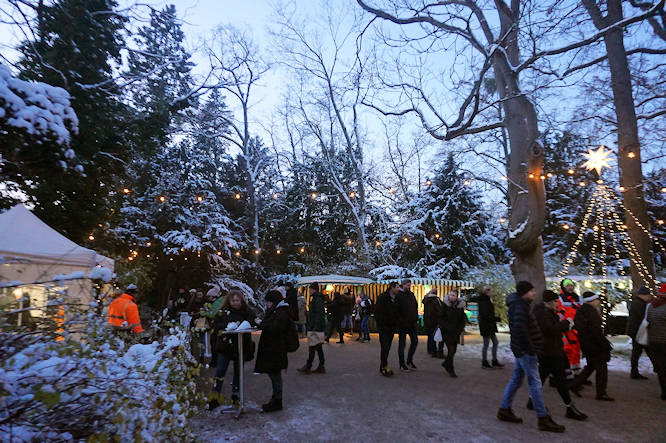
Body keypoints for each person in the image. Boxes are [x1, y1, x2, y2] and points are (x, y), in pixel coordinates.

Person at [497, 281, 564, 433]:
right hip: (526, 352)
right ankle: (543, 418)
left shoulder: (520, 305)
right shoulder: (520, 306)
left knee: (516, 380)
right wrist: (531, 349)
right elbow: (520, 330)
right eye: (531, 291)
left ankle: (504, 409)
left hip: (522, 350)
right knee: (535, 383)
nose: (534, 293)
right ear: (524, 292)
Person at [532, 290, 587, 420]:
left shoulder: (547, 312)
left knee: (541, 376)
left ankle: (532, 401)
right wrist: (566, 323)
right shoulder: (542, 313)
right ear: (550, 302)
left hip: (551, 350)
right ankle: (569, 408)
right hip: (550, 351)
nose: (558, 303)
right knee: (560, 381)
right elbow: (549, 329)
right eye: (556, 301)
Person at [208, 289, 256, 410]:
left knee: (238, 372)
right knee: (220, 371)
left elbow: (253, 321)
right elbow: (215, 325)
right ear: (229, 301)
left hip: (241, 346)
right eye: (233, 300)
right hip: (225, 346)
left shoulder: (247, 311)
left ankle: (236, 395)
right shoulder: (223, 312)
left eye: (237, 300)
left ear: (241, 300)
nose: (235, 302)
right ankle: (215, 396)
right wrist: (228, 326)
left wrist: (244, 324)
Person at [570, 292, 614, 401]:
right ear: (592, 301)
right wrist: (604, 344)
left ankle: (574, 385)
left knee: (590, 366)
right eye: (597, 300)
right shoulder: (591, 313)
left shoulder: (581, 311)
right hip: (594, 345)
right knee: (602, 369)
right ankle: (601, 393)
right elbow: (595, 332)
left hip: (586, 344)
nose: (598, 302)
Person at [254, 290, 291, 412]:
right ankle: (276, 398)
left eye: (268, 302)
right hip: (274, 348)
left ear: (273, 301)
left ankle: (277, 401)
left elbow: (275, 327)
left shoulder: (280, 312)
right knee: (274, 374)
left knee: (275, 375)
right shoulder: (278, 311)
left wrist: (261, 323)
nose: (267, 304)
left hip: (276, 349)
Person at [470, 285, 503, 368]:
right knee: (487, 344)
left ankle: (493, 360)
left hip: (489, 326)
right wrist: (496, 318)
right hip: (486, 326)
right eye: (491, 291)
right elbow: (486, 315)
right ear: (487, 292)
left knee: (494, 342)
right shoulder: (484, 301)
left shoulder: (487, 300)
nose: (493, 293)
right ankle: (485, 362)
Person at [298, 283, 327, 374]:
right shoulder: (316, 298)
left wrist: (315, 327)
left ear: (314, 289)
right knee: (318, 347)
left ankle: (308, 366)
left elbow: (319, 313)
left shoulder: (317, 299)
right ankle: (321, 366)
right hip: (316, 326)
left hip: (315, 327)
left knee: (312, 347)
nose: (309, 290)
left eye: (310, 289)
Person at [626, 285, 652, 380]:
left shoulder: (635, 303)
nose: (650, 297)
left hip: (635, 331)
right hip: (639, 331)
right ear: (643, 295)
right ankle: (658, 369)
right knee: (645, 351)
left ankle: (634, 371)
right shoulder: (640, 305)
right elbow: (643, 318)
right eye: (648, 295)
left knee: (637, 352)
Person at [558, 279, 582, 379]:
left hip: (577, 328)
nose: (570, 287)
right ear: (564, 287)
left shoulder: (578, 298)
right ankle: (568, 375)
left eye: (571, 285)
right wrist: (566, 323)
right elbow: (559, 313)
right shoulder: (560, 299)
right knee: (568, 351)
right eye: (567, 285)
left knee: (577, 351)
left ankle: (577, 374)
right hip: (567, 329)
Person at [375, 282, 401, 377]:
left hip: (391, 327)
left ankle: (382, 366)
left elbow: (397, 312)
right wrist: (381, 324)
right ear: (392, 288)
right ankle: (384, 367)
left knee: (387, 347)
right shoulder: (383, 297)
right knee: (385, 347)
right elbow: (377, 312)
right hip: (383, 327)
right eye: (397, 287)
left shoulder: (396, 298)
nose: (399, 289)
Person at [440, 290, 466, 377]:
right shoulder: (445, 305)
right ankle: (451, 369)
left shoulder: (459, 306)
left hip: (456, 332)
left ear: (456, 297)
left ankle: (446, 363)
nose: (451, 296)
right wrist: (444, 327)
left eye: (453, 295)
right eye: (450, 295)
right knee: (451, 349)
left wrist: (460, 329)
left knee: (453, 350)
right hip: (446, 332)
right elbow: (440, 318)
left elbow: (462, 319)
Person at [646, 283, 666, 400]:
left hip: (653, 341)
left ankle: (664, 391)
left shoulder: (651, 306)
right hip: (664, 341)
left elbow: (647, 321)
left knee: (661, 368)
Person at [397, 279, 418, 371]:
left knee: (415, 341)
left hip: (412, 323)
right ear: (403, 285)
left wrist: (415, 318)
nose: (409, 287)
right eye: (407, 285)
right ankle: (402, 364)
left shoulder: (411, 294)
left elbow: (415, 306)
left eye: (410, 285)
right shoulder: (399, 295)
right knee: (402, 344)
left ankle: (409, 360)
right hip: (402, 324)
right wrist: (400, 320)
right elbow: (396, 310)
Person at [423, 288, 444, 358]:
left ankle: (430, 350)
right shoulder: (437, 300)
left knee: (430, 336)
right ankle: (437, 352)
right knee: (439, 336)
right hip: (436, 321)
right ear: (436, 293)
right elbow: (441, 310)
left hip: (427, 321)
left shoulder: (426, 300)